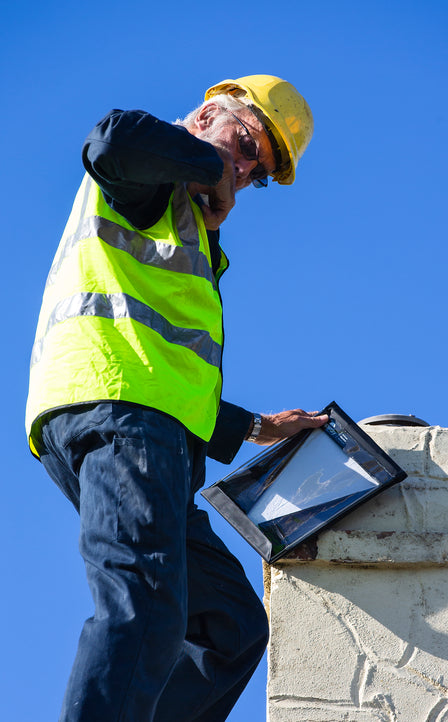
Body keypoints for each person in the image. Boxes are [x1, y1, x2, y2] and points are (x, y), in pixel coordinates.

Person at [26, 75, 328, 721]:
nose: (241, 170)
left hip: (150, 424)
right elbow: (113, 139)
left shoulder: (188, 222)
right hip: (120, 414)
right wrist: (208, 162)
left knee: (229, 625)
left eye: (256, 170)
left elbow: (163, 356)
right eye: (244, 142)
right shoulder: (150, 181)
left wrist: (251, 426)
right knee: (146, 603)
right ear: (204, 115)